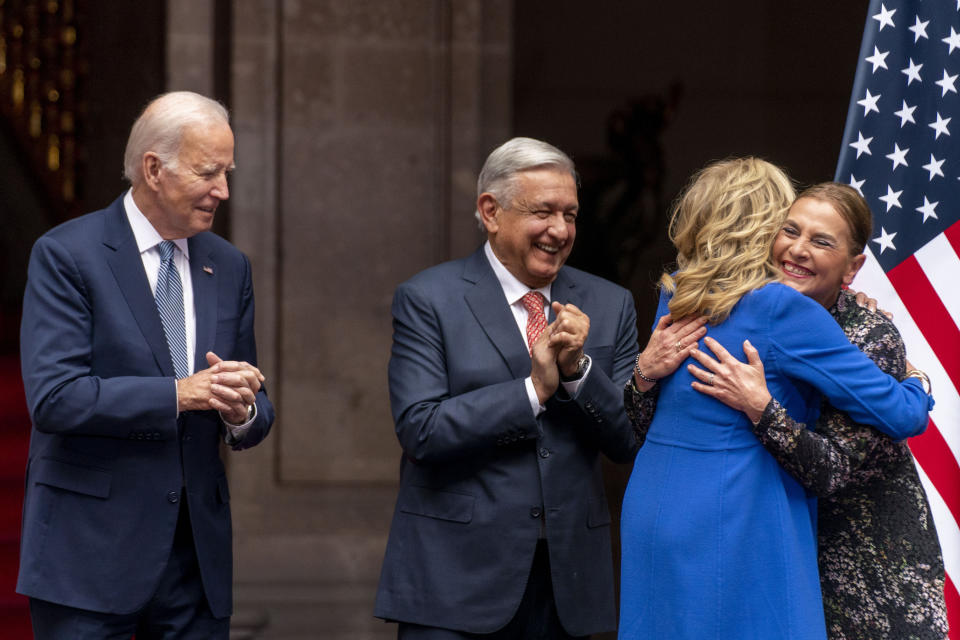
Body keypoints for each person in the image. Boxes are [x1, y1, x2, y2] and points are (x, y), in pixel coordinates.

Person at [618, 159, 932, 640]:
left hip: (653, 505)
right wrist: (917, 381)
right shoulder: (782, 309)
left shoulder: (676, 291)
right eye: (788, 225)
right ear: (765, 225)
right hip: (737, 513)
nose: (795, 245)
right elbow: (901, 413)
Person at [18, 91, 274, 639]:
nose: (224, 191)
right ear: (154, 169)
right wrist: (181, 394)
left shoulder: (228, 266)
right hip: (89, 554)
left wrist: (241, 410)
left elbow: (251, 399)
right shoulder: (67, 255)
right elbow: (56, 397)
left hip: (195, 564)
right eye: (209, 172)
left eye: (228, 172)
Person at [374, 137, 649, 639]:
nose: (560, 230)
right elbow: (421, 429)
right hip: (455, 579)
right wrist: (534, 391)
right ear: (490, 211)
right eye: (542, 212)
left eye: (570, 214)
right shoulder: (429, 298)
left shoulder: (609, 304)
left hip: (567, 582)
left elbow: (628, 437)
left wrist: (578, 374)